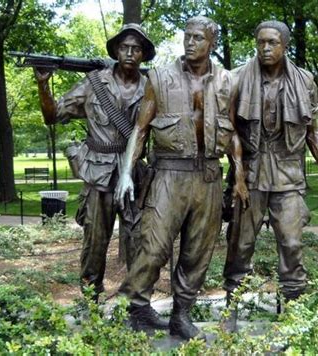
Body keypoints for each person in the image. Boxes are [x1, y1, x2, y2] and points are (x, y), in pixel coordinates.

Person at [114, 16, 249, 340]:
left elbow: (232, 133)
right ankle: (130, 308)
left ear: (211, 41)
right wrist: (126, 174)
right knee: (155, 246)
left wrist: (239, 174)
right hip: (169, 174)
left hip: (209, 175)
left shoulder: (228, 81)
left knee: (197, 252)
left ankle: (182, 316)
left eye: (198, 37)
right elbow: (141, 129)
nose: (190, 42)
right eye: (187, 36)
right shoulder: (159, 78)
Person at [222, 20, 318, 331]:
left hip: (288, 174)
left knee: (291, 244)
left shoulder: (305, 81)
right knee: (240, 245)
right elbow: (229, 130)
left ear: (284, 45)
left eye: (272, 42)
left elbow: (313, 133)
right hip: (250, 173)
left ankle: (294, 315)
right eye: (260, 42)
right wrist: (236, 176)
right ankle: (230, 313)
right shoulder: (237, 79)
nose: (265, 48)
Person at [34, 24, 162, 308]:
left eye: (136, 48)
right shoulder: (93, 83)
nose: (129, 53)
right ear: (116, 50)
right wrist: (43, 85)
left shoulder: (152, 86)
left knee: (138, 240)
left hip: (134, 174)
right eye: (124, 47)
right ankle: (91, 302)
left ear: (143, 54)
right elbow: (53, 115)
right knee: (94, 242)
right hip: (98, 172)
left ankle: (136, 304)